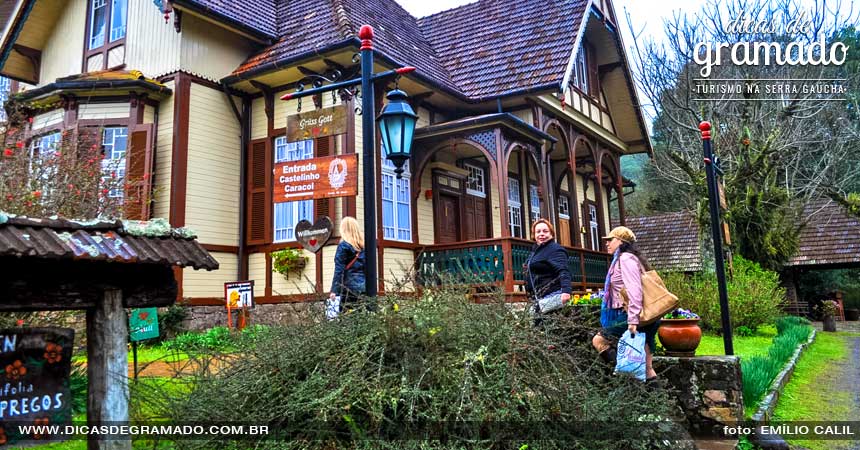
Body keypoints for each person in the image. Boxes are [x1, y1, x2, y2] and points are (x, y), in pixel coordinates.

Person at [592, 226, 660, 382]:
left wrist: (633, 319)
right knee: (647, 369)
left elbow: (634, 290)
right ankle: (657, 402)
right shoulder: (627, 258)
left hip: (633, 314)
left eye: (611, 240)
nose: (607, 244)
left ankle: (627, 378)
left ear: (621, 241)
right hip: (647, 316)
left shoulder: (625, 259)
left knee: (599, 340)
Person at [524, 219, 572, 317]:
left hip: (552, 295)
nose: (541, 234)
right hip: (537, 297)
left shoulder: (555, 250)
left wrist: (566, 291)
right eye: (538, 232)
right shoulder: (535, 251)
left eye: (545, 231)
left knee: (547, 326)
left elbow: (563, 270)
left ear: (551, 234)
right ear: (534, 235)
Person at [330, 217, 367, 310]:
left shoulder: (343, 246)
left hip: (349, 289)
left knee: (347, 319)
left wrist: (334, 290)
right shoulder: (364, 247)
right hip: (365, 287)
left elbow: (339, 270)